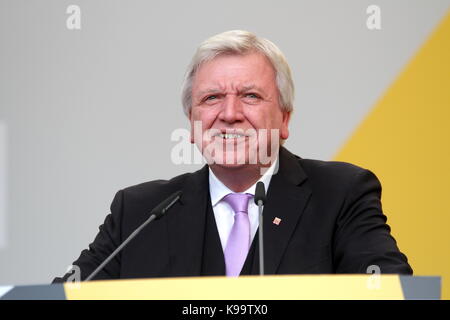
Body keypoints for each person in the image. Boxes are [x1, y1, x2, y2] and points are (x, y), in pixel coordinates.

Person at [54, 30, 412, 282]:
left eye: (251, 96)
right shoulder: (137, 212)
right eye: (211, 98)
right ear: (192, 124)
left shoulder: (342, 194)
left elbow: (390, 290)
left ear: (284, 117)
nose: (229, 113)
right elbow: (65, 296)